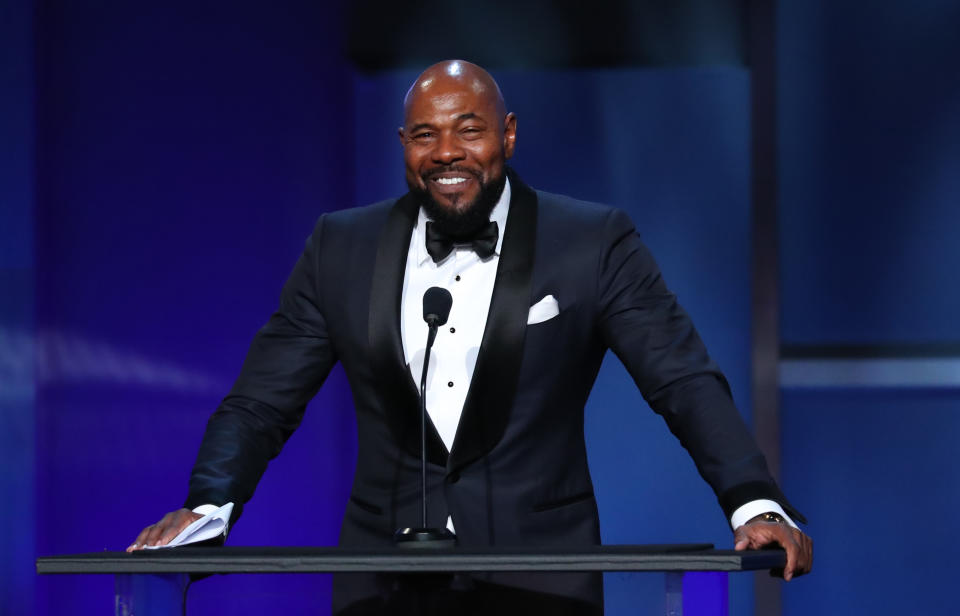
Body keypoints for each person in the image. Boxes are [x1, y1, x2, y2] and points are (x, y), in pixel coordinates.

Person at [130, 60, 812, 614]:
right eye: (424, 134)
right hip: (383, 580)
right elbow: (263, 400)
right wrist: (208, 505)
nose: (447, 152)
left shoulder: (590, 242)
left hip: (540, 578)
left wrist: (753, 501)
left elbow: (681, 379)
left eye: (468, 130)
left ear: (508, 135)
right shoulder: (341, 246)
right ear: (403, 146)